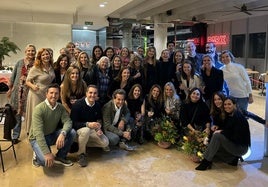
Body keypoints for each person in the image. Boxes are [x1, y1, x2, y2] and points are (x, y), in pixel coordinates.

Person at [196, 97, 251, 170]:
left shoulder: (238, 117)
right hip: (234, 144)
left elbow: (236, 136)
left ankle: (206, 162)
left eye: (229, 104)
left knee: (217, 136)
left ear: (234, 105)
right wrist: (218, 127)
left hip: (240, 147)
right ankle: (232, 159)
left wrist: (222, 131)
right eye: (225, 104)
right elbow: (227, 129)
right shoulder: (230, 115)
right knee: (213, 150)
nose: (226, 106)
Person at [29, 83, 76, 167]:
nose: (54, 96)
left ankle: (60, 156)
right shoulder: (39, 109)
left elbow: (68, 121)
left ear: (59, 95)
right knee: (45, 162)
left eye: (56, 93)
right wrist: (47, 153)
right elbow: (38, 133)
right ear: (46, 94)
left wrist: (63, 133)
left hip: (50, 135)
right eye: (51, 93)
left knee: (72, 132)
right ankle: (36, 156)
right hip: (36, 138)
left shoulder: (60, 107)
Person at [221, 50, 265, 124]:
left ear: (231, 57)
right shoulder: (221, 70)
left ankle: (262, 121)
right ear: (221, 59)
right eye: (223, 57)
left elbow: (247, 81)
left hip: (243, 96)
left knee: (242, 114)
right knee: (232, 115)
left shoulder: (239, 67)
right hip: (232, 95)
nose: (225, 58)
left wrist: (250, 95)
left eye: (227, 56)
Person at [70, 85, 109, 167]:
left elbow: (99, 119)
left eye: (95, 93)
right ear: (86, 93)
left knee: (105, 142)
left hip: (91, 130)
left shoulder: (97, 105)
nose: (92, 95)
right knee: (86, 130)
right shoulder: (77, 105)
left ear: (97, 94)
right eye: (90, 93)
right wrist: (87, 124)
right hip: (78, 130)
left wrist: (99, 129)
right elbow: (72, 123)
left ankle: (83, 143)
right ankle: (81, 154)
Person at [7, 44, 36, 143]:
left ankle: (31, 133)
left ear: (35, 52)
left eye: (32, 51)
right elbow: (13, 76)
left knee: (30, 114)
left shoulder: (37, 63)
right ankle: (15, 136)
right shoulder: (19, 63)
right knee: (17, 115)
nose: (30, 52)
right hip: (17, 93)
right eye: (29, 51)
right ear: (25, 52)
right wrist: (10, 89)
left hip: (30, 93)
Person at [25, 48, 55, 135]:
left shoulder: (51, 67)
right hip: (36, 94)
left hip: (48, 94)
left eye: (47, 54)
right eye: (43, 55)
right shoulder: (36, 68)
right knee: (36, 114)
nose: (46, 56)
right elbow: (27, 81)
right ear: (40, 57)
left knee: (45, 114)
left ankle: (43, 132)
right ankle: (33, 133)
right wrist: (33, 86)